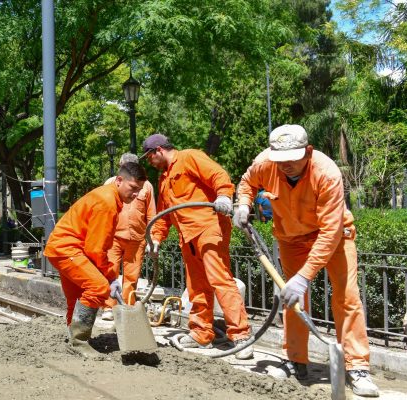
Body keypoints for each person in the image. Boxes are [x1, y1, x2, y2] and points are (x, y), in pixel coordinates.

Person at [234, 124, 379, 397]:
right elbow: (246, 182)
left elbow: (330, 231)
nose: (286, 165)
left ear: (308, 151)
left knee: (347, 298)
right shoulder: (265, 162)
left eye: (293, 158)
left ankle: (357, 367)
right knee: (293, 300)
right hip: (291, 239)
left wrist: (303, 277)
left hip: (335, 237)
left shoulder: (326, 173)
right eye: (281, 160)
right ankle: (294, 359)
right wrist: (243, 203)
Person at [143, 133, 254, 360]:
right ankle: (202, 333)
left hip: (208, 228)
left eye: (149, 157)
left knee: (219, 279)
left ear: (159, 151)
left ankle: (241, 336)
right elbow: (164, 215)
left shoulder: (190, 157)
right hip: (188, 237)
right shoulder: (164, 179)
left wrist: (223, 195)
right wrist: (156, 238)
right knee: (197, 286)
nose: (149, 162)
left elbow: (218, 175)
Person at [44, 162, 147, 357]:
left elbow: (95, 246)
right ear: (119, 180)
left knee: (77, 296)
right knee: (98, 287)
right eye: (133, 188)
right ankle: (79, 342)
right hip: (69, 249)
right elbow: (96, 249)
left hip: (62, 248)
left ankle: (73, 338)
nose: (135, 194)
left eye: (139, 190)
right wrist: (110, 277)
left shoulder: (107, 196)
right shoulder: (107, 203)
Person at [100, 153, 156, 321]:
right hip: (114, 237)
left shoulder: (146, 186)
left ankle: (127, 309)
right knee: (111, 273)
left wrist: (151, 239)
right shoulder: (111, 183)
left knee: (131, 277)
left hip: (137, 238)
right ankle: (109, 308)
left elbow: (151, 213)